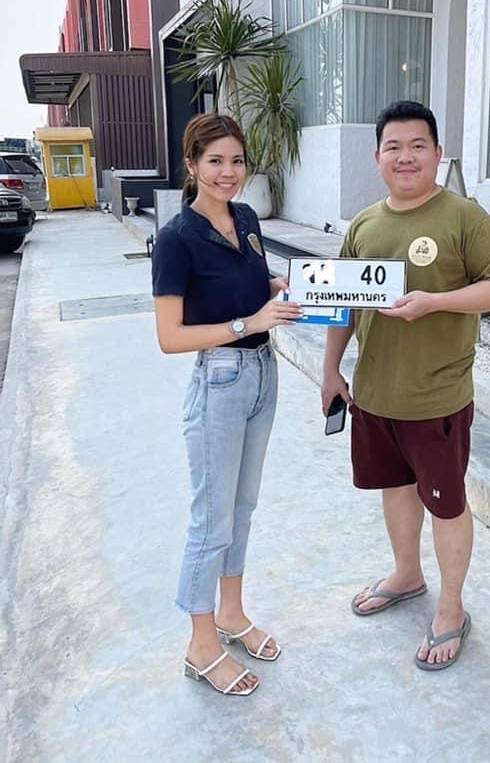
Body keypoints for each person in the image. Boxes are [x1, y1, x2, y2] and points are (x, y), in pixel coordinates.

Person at [321, 100, 490, 671]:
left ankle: (451, 606)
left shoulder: (463, 217)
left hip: (437, 398)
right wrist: (331, 369)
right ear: (377, 157)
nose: (405, 157)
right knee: (395, 490)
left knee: (446, 504)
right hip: (375, 395)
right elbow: (342, 303)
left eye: (417, 146)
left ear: (437, 153)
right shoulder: (364, 224)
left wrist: (435, 302)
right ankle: (407, 574)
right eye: (393, 147)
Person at [152, 112, 303, 697]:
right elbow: (171, 336)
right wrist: (249, 322)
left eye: (237, 160)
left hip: (263, 372)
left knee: (241, 508)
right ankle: (200, 643)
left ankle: (232, 613)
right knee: (211, 518)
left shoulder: (246, 218)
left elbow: (245, 289)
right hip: (220, 379)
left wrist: (277, 289)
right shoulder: (177, 239)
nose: (228, 172)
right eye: (214, 160)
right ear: (191, 165)